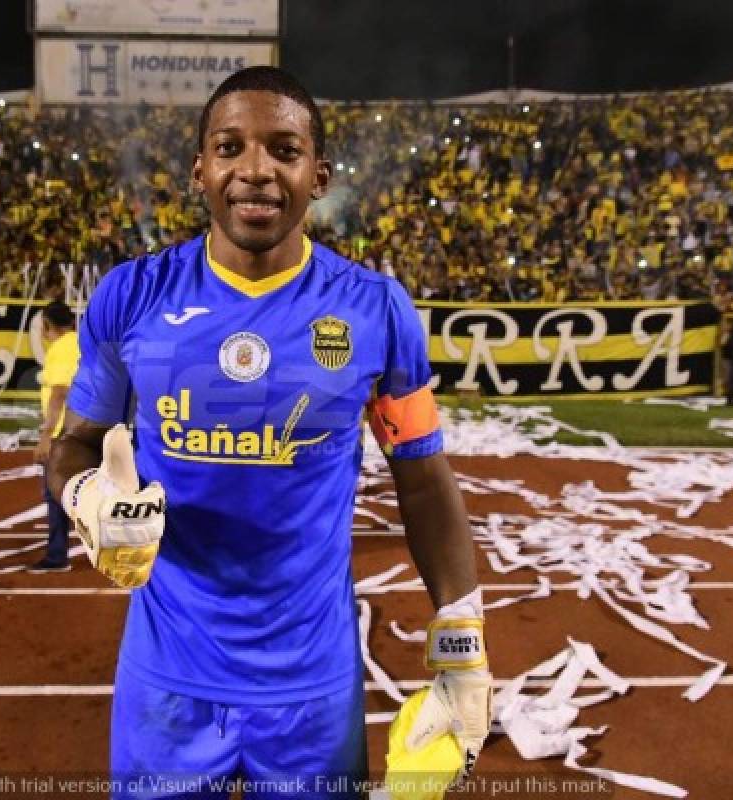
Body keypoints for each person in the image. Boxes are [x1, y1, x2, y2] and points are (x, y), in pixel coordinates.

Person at [45, 67, 488, 799]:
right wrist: (86, 498)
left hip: (314, 688)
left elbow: (421, 473)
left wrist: (462, 641)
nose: (256, 170)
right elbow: (75, 442)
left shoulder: (375, 309)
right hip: (167, 683)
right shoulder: (132, 296)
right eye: (230, 147)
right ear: (199, 170)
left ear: (318, 175)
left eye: (283, 149)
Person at [31, 301, 80, 573]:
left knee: (55, 493)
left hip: (65, 431)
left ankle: (57, 555)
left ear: (47, 325)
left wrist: (47, 435)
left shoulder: (60, 350)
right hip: (90, 426)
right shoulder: (83, 343)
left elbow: (59, 392)